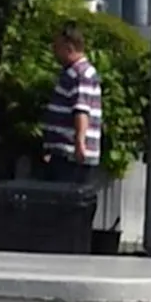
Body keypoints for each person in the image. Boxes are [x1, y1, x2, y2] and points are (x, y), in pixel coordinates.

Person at [39, 25, 103, 183]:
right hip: (64, 154)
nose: (54, 51)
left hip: (71, 156)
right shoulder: (73, 72)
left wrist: (80, 143)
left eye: (57, 47)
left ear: (69, 48)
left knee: (67, 202)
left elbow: (81, 110)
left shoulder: (81, 74)